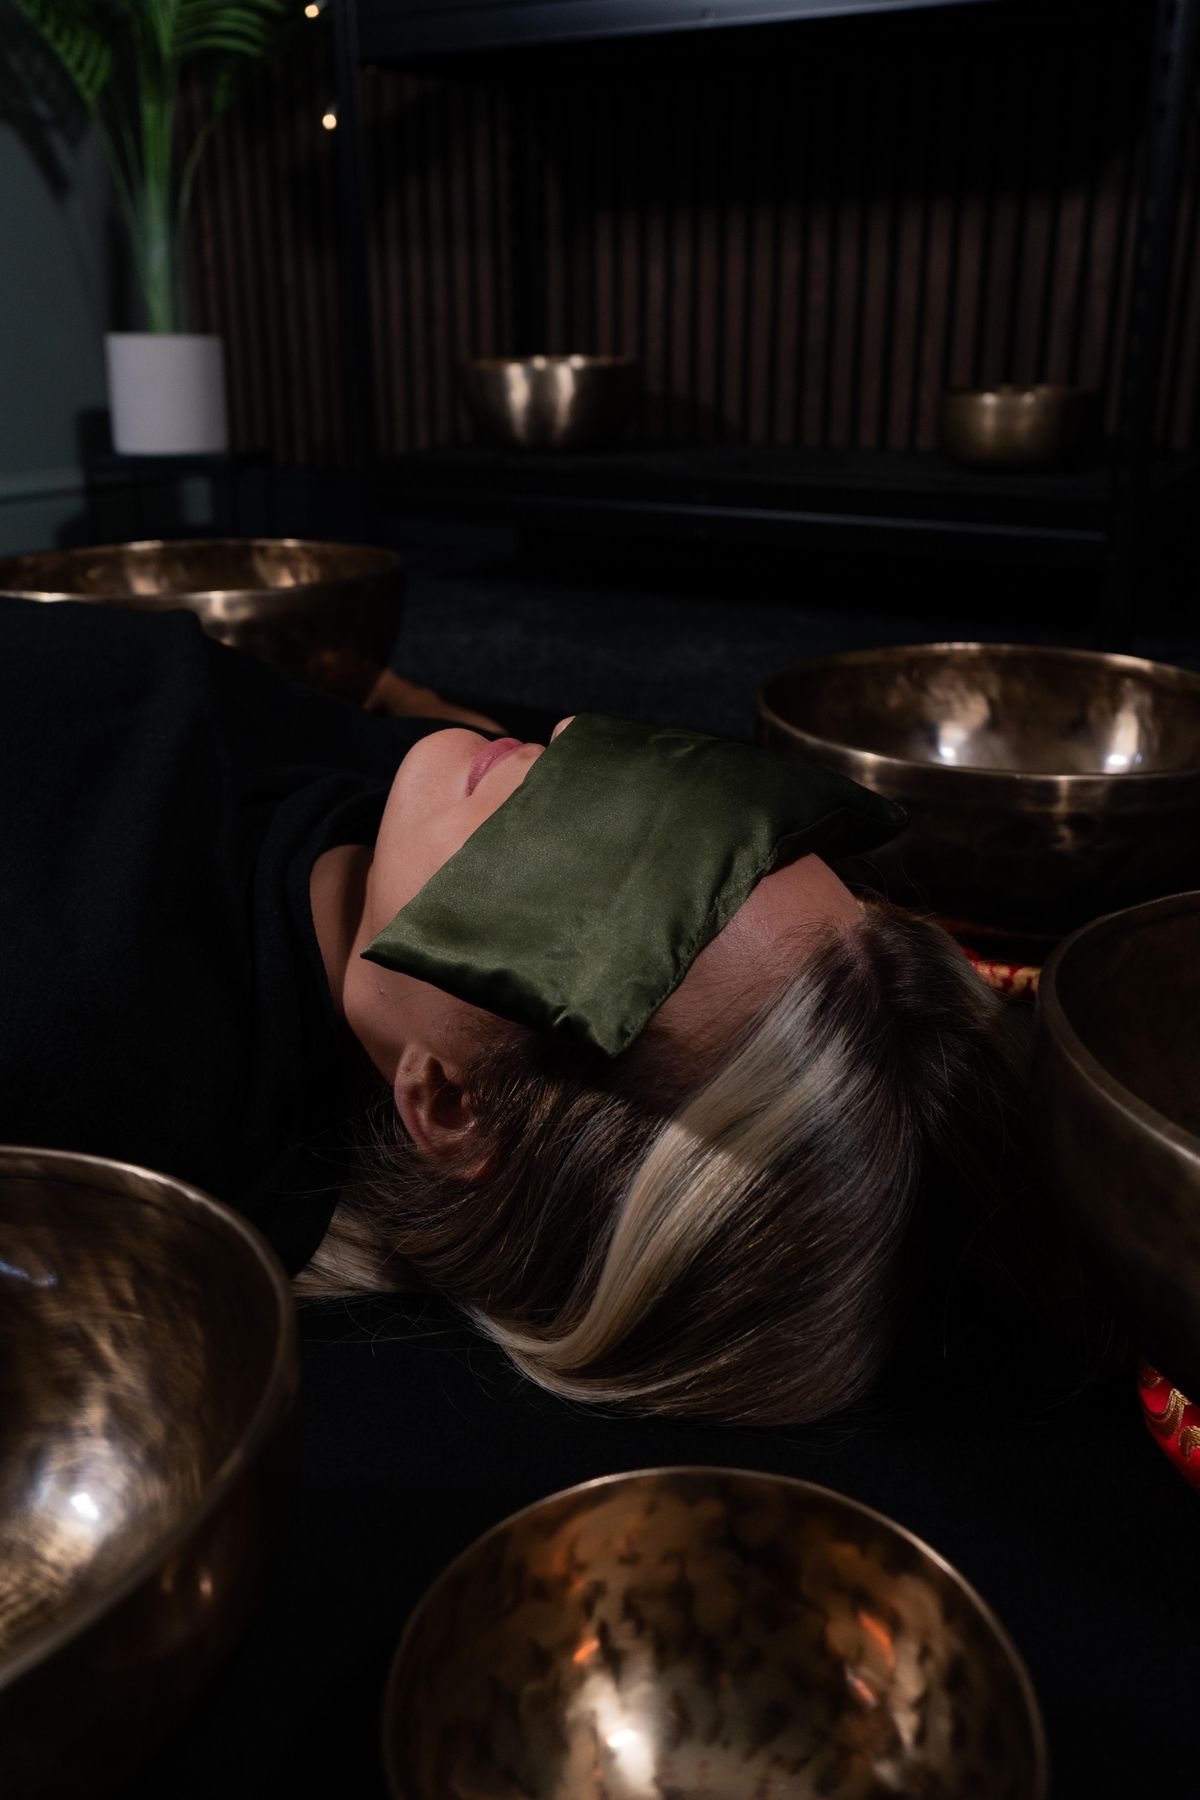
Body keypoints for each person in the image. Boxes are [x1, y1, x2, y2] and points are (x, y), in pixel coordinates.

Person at [0, 595, 1035, 1426]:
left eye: (616, 875)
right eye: (693, 795)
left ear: (452, 1104)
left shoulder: (77, 1005)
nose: (574, 738)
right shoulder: (438, 811)